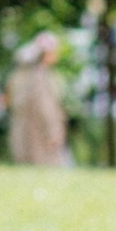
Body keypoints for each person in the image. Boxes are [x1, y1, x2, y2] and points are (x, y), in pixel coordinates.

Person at [7, 31, 72, 168]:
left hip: (23, 130)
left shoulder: (21, 74)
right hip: (41, 133)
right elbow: (46, 107)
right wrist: (53, 130)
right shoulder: (41, 76)